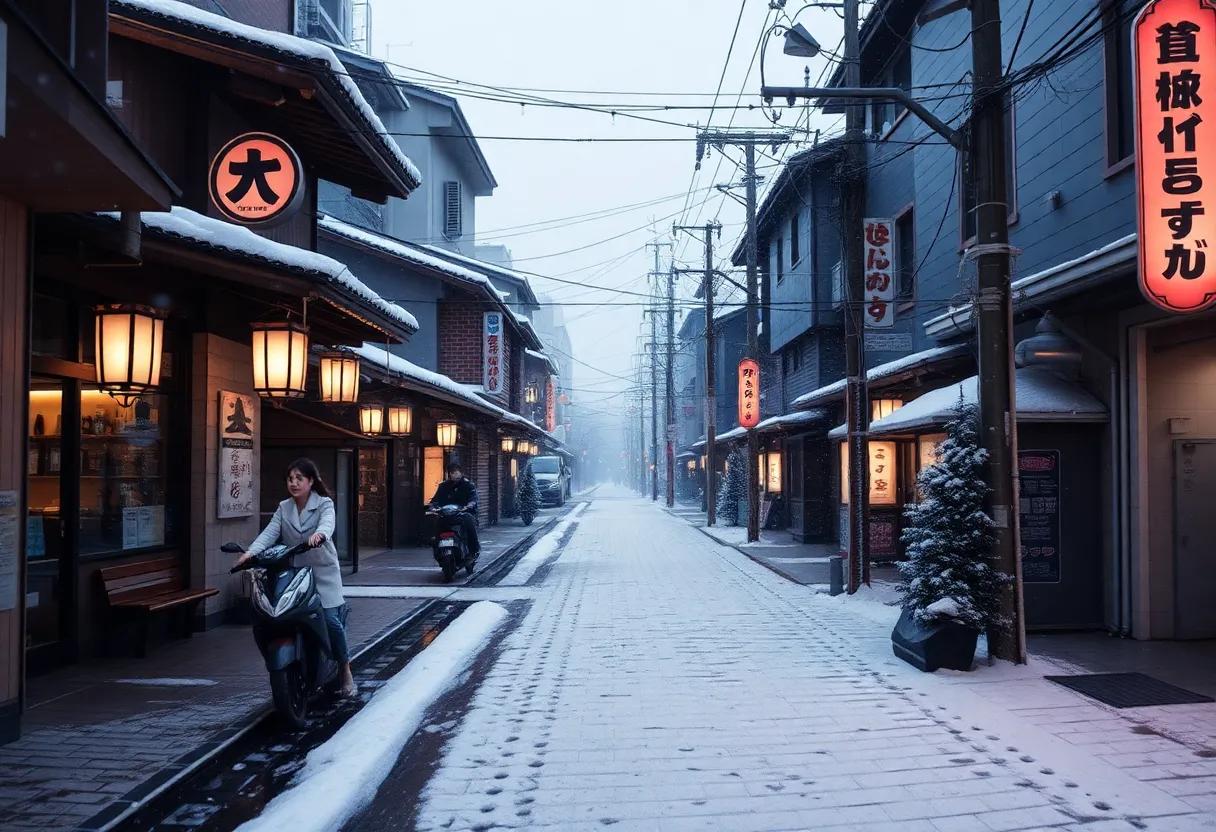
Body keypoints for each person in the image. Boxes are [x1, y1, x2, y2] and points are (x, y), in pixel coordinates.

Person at [234, 458, 355, 697]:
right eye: (290, 479)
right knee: (273, 618)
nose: (294, 483)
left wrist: (319, 535)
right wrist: (249, 553)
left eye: (299, 478)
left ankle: (344, 668)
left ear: (311, 481)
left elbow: (327, 525)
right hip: (296, 573)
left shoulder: (324, 504)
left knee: (331, 621)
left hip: (322, 573)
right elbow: (269, 533)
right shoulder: (284, 507)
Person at [430, 461, 480, 558]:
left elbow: (473, 498)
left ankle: (473, 550)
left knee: (469, 523)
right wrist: (432, 506)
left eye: (456, 472)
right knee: (437, 524)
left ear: (461, 473)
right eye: (452, 473)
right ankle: (438, 551)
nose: (454, 475)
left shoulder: (468, 485)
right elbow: (435, 499)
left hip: (463, 512)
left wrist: (468, 506)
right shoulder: (443, 486)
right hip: (446, 513)